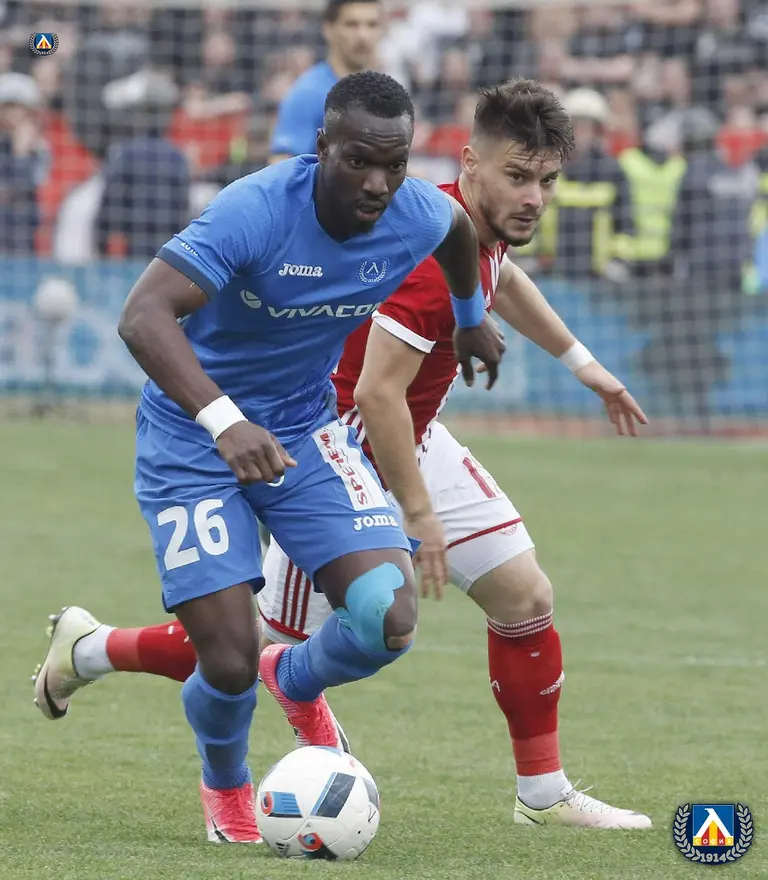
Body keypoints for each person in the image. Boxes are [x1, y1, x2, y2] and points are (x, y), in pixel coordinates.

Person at [34, 80, 650, 831]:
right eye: (360, 161)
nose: (378, 184)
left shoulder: (426, 214)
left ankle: (539, 791)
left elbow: (477, 254)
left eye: (394, 165)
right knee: (234, 652)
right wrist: (408, 507)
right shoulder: (264, 212)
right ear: (323, 149)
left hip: (346, 432)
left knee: (443, 607)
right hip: (264, 435)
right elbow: (152, 319)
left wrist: (496, 331)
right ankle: (156, 713)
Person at [270, 0, 382, 162]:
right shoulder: (308, 93)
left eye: (372, 25)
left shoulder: (383, 92)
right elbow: (280, 164)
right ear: (328, 29)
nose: (363, 35)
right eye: (352, 25)